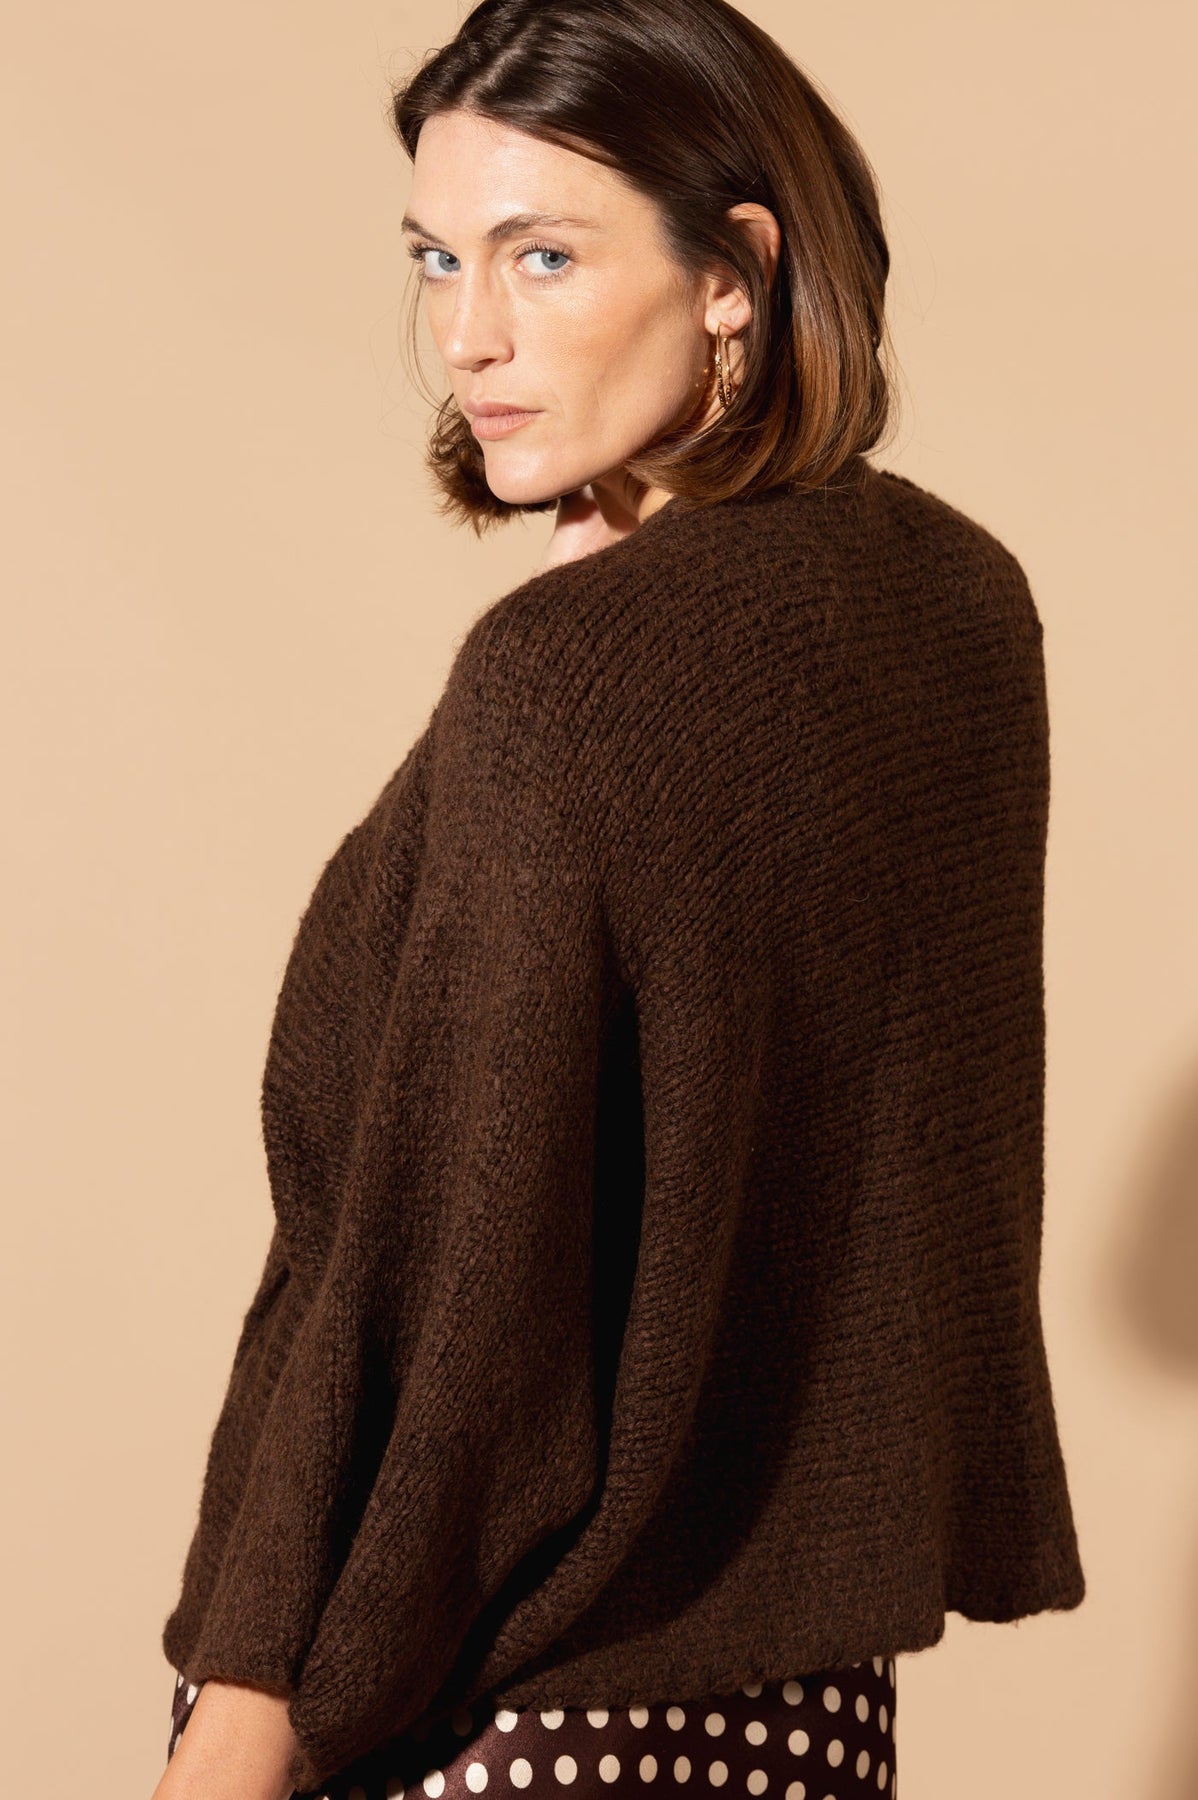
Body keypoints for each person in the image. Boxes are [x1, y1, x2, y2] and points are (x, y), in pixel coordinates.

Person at [151, 3, 1086, 1798]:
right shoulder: (961, 606)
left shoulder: (568, 683)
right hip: (805, 1722)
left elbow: (447, 1291)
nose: (466, 334)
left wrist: (237, 1740)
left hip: (494, 1711)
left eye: (544, 256)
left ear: (733, 273)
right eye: (437, 259)